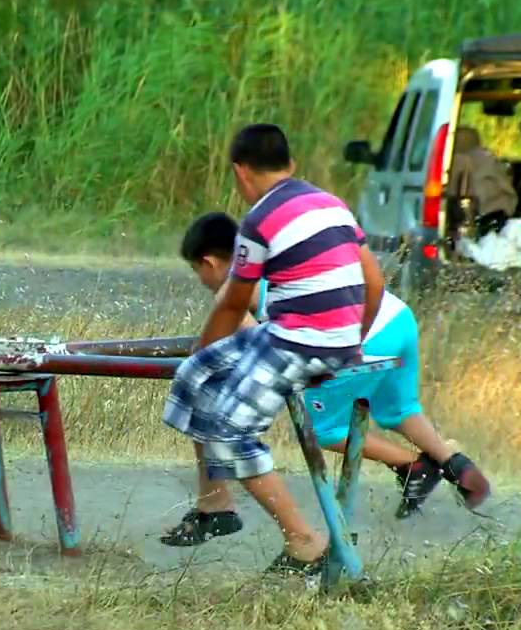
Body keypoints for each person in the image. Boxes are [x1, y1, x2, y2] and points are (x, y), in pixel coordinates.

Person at [163, 211, 492, 547]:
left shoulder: (231, 290)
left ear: (210, 263)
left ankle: (411, 467)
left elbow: (259, 347)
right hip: (396, 317)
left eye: (197, 271)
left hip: (364, 332)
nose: (201, 280)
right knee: (400, 408)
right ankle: (455, 464)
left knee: (326, 430)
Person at [161, 124, 389, 576]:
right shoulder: (334, 205)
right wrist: (352, 341)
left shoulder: (260, 220)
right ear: (291, 165)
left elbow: (232, 301)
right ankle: (217, 505)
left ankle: (303, 540)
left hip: (299, 340)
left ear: (240, 173)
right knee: (195, 376)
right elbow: (375, 283)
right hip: (314, 336)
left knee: (228, 428)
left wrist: (203, 345)